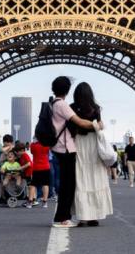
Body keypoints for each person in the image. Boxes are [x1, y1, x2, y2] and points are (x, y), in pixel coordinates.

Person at [49, 76, 102, 228]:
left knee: (71, 183)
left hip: (67, 147)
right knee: (68, 185)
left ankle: (66, 216)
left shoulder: (56, 104)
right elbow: (79, 122)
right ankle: (62, 218)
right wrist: (97, 125)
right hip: (67, 148)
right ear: (67, 90)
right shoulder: (63, 105)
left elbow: (75, 126)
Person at [71, 81, 113, 225]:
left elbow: (71, 128)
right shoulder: (96, 109)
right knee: (95, 178)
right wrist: (96, 124)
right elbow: (99, 127)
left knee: (81, 179)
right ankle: (94, 216)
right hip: (94, 144)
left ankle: (82, 217)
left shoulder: (72, 108)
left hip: (79, 144)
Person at [29, 138, 50, 207]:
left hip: (36, 167)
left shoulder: (33, 145)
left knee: (33, 184)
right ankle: (45, 202)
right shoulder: (47, 143)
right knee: (45, 184)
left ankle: (30, 201)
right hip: (46, 166)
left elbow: (32, 152)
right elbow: (47, 152)